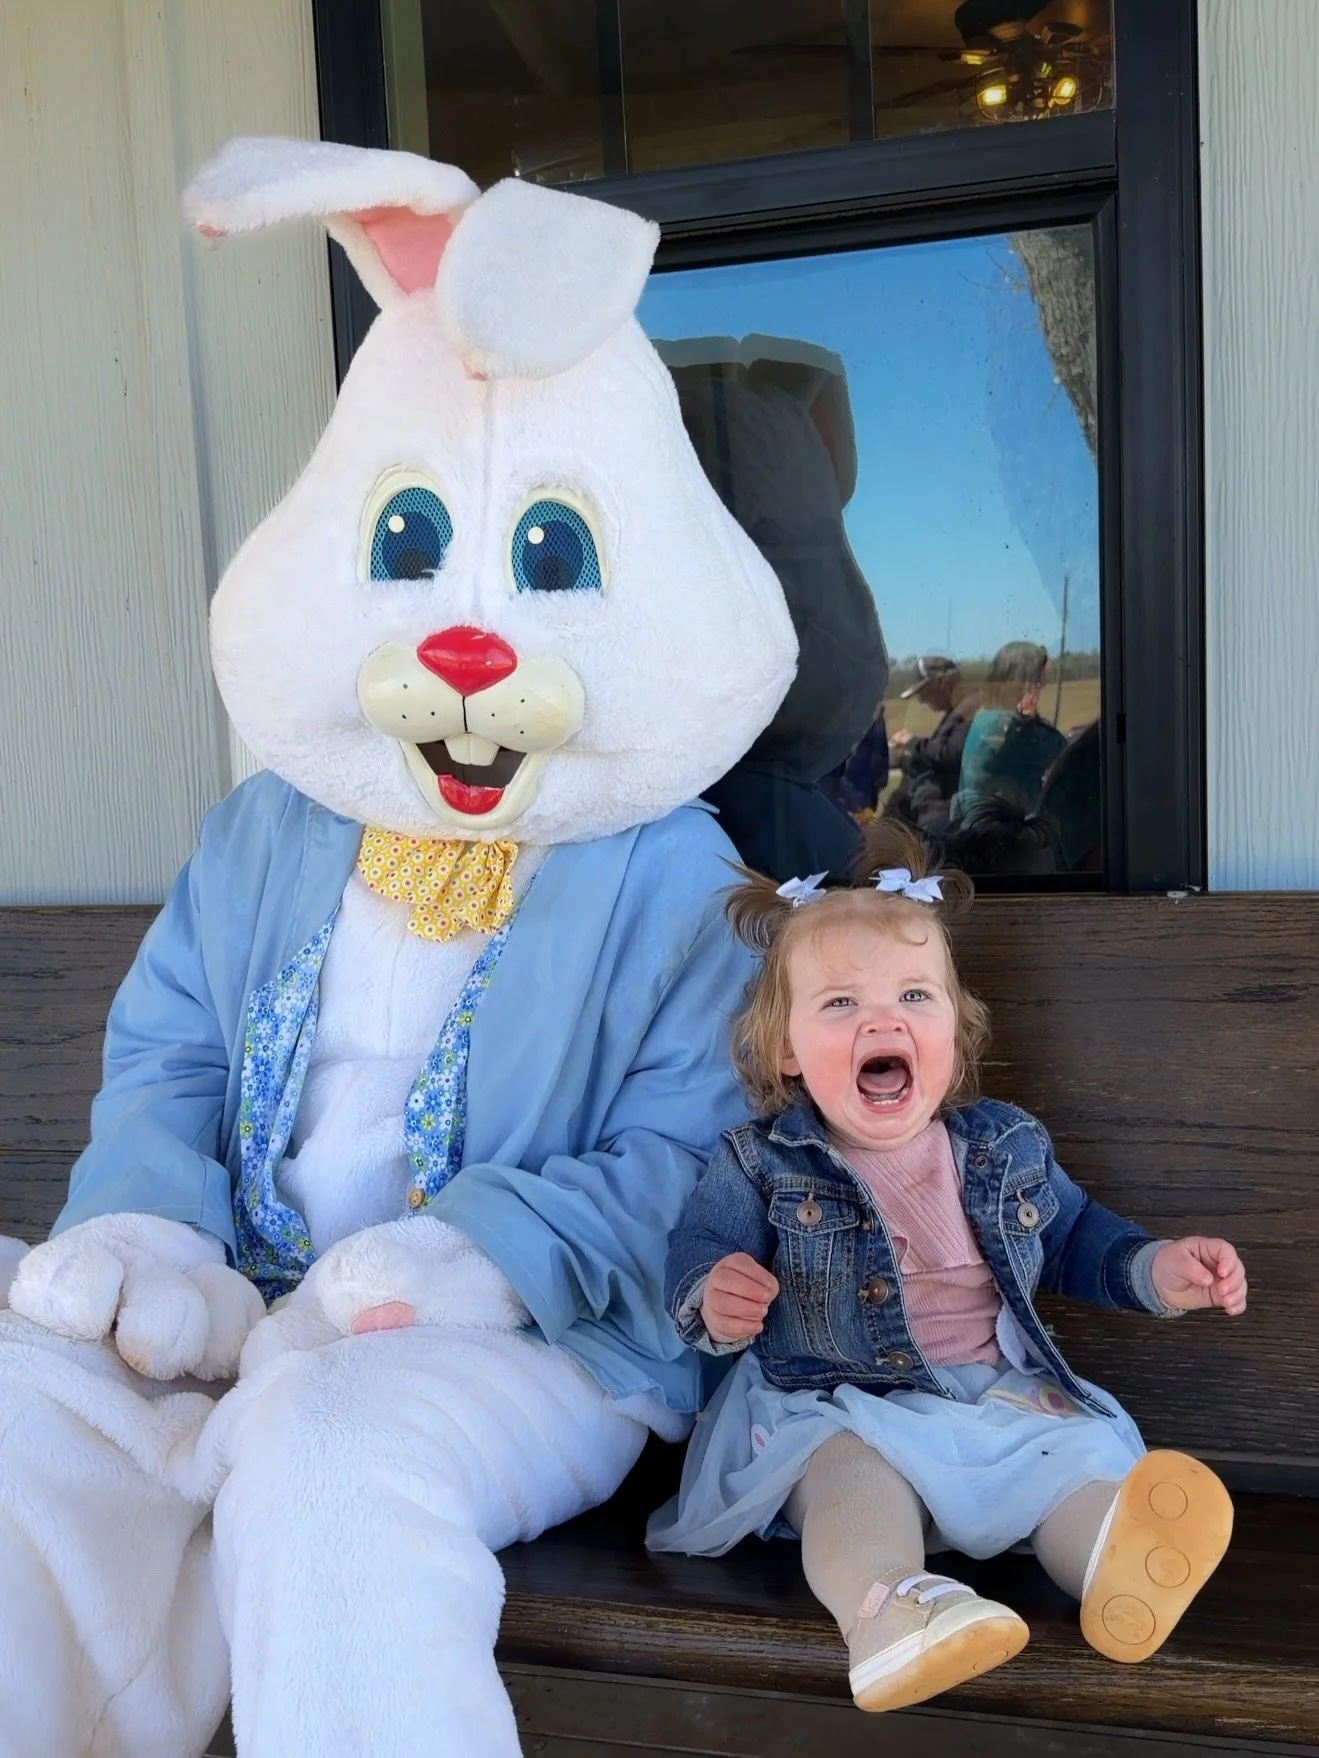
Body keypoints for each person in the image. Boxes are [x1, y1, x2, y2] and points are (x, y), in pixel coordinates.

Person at [648, 822, 1245, 1714]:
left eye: (912, 997)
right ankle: (890, 1608)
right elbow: (695, 1254)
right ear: (784, 1051)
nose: (882, 1020)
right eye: (839, 1004)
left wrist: (1158, 1270)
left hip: (992, 1402)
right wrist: (713, 1296)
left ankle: (1115, 1565)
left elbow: (1075, 1239)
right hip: (836, 1403)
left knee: (1069, 1465)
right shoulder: (761, 1162)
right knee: (848, 1482)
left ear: (953, 1035)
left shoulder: (1001, 1146)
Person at [954, 641, 1065, 821]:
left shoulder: (988, 718)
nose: (1043, 685)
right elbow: (1054, 749)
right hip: (999, 834)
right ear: (1019, 680)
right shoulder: (998, 726)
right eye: (1038, 680)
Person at [886, 655, 980, 830]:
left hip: (947, 813)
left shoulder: (971, 708)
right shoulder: (959, 710)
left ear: (942, 682)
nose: (922, 700)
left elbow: (952, 754)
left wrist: (912, 743)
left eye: (923, 691)